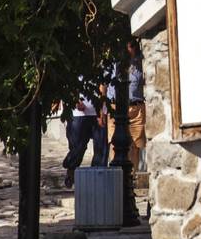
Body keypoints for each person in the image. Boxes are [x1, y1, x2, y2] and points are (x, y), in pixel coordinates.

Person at [108, 40, 146, 169]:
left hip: (136, 108)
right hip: (115, 108)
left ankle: (132, 177)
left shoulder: (142, 62)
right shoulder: (113, 63)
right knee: (115, 144)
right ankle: (115, 176)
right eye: (127, 46)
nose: (129, 50)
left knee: (135, 145)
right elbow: (104, 84)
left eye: (132, 46)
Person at [62, 90, 108, 187]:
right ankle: (71, 168)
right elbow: (69, 85)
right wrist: (76, 100)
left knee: (101, 147)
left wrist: (102, 111)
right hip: (78, 114)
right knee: (78, 147)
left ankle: (97, 176)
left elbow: (103, 88)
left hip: (96, 114)